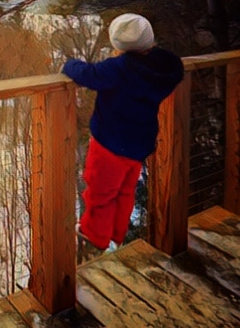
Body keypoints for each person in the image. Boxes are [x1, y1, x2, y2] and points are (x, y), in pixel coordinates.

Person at [62, 13, 184, 250]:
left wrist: (69, 64)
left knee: (100, 190)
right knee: (125, 190)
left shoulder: (119, 68)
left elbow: (88, 75)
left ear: (118, 44)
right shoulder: (161, 69)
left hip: (109, 143)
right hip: (138, 143)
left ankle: (95, 234)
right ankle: (117, 234)